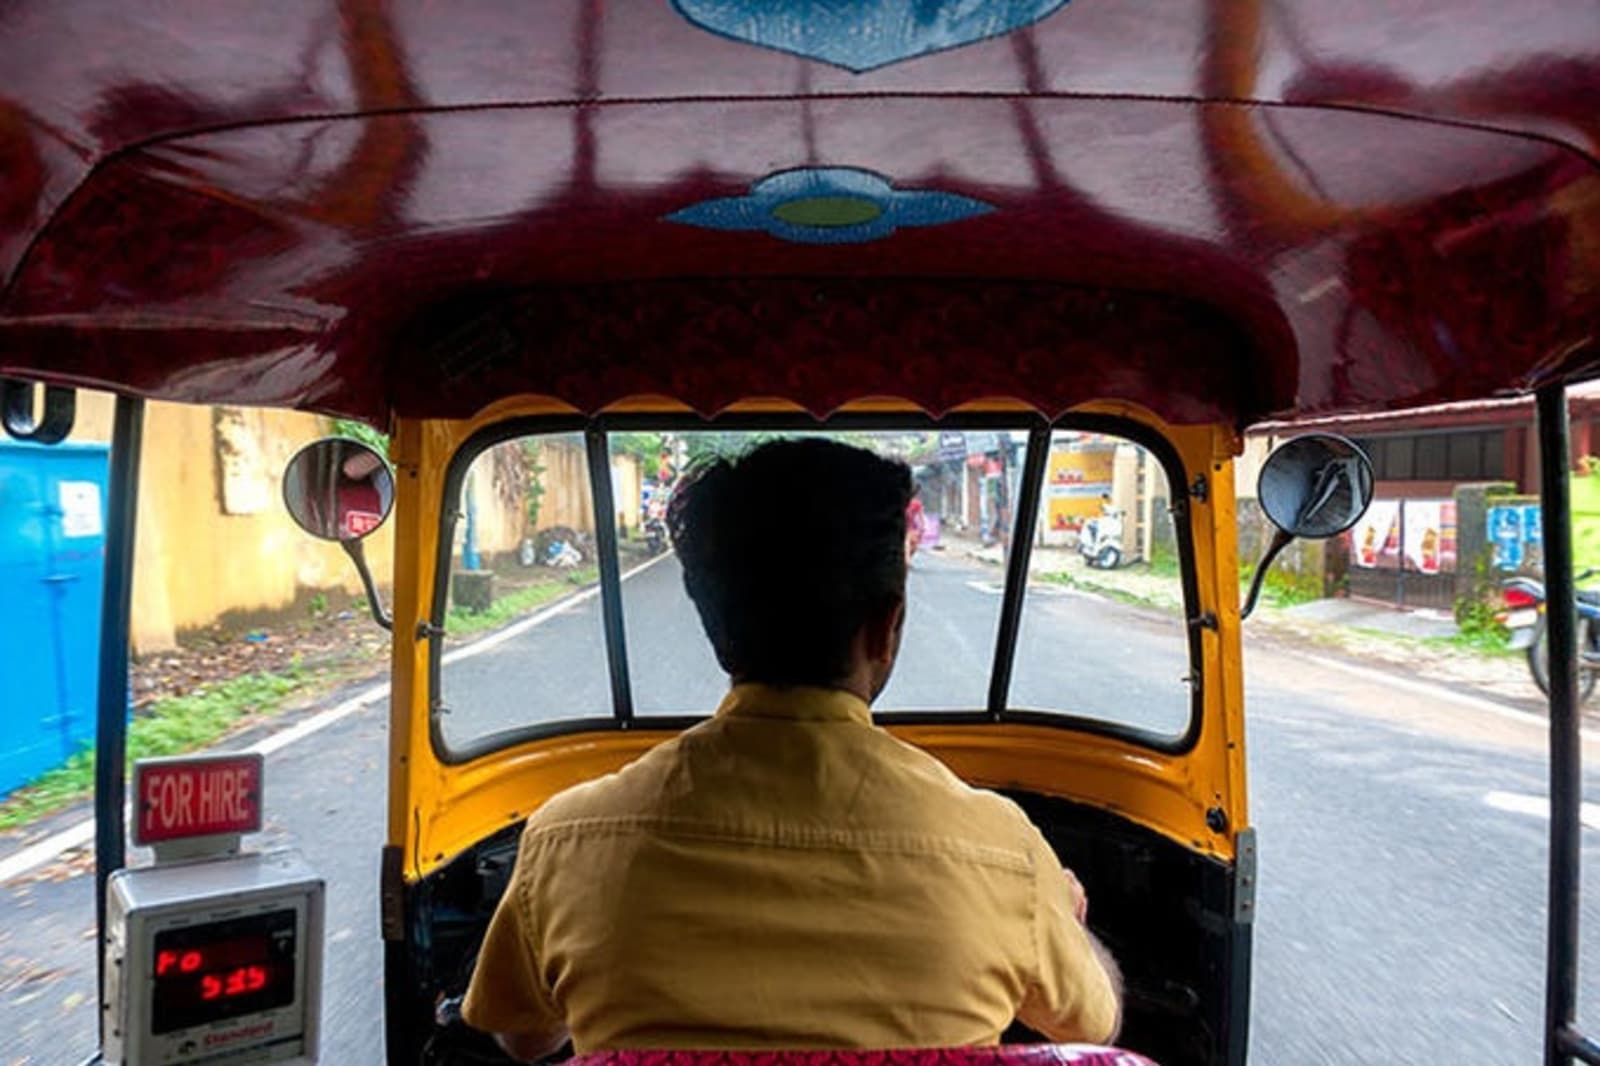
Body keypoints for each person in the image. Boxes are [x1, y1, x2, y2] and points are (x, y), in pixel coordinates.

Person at [462, 439, 1121, 1059]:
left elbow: (524, 1041)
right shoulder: (1002, 851)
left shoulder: (566, 840)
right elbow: (1096, 1025)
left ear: (716, 629)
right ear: (886, 626)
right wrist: (1063, 914)